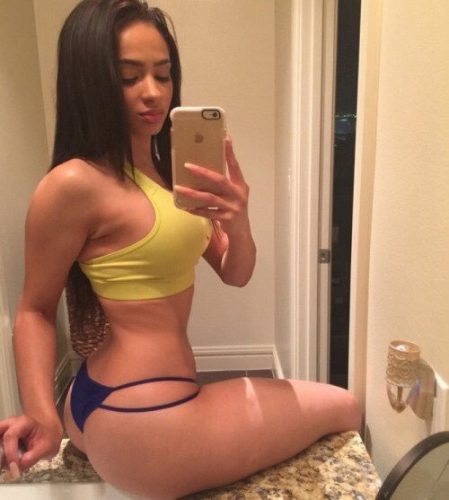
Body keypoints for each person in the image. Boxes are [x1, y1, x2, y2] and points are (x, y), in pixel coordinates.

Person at [0, 0, 361, 497]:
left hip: (111, 400)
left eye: (163, 74)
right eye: (129, 77)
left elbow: (236, 272)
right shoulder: (74, 183)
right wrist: (42, 414)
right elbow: (35, 310)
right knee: (345, 406)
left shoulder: (169, 173)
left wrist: (239, 219)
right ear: (90, 82)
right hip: (143, 417)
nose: (153, 92)